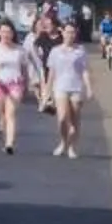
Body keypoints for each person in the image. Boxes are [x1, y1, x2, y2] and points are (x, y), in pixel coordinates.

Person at [0, 19, 33, 154]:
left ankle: (9, 143)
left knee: (11, 113)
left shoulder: (20, 50)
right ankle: (3, 129)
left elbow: (24, 70)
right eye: (3, 32)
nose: (6, 34)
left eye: (8, 32)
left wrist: (26, 85)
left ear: (13, 33)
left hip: (15, 83)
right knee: (3, 113)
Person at [45, 20, 94, 158]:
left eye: (73, 32)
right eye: (68, 32)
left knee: (75, 119)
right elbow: (51, 72)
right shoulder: (55, 51)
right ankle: (63, 142)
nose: (70, 35)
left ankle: (72, 147)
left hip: (76, 87)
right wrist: (47, 91)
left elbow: (84, 70)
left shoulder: (80, 50)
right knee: (62, 118)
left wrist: (89, 87)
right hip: (60, 87)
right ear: (62, 32)